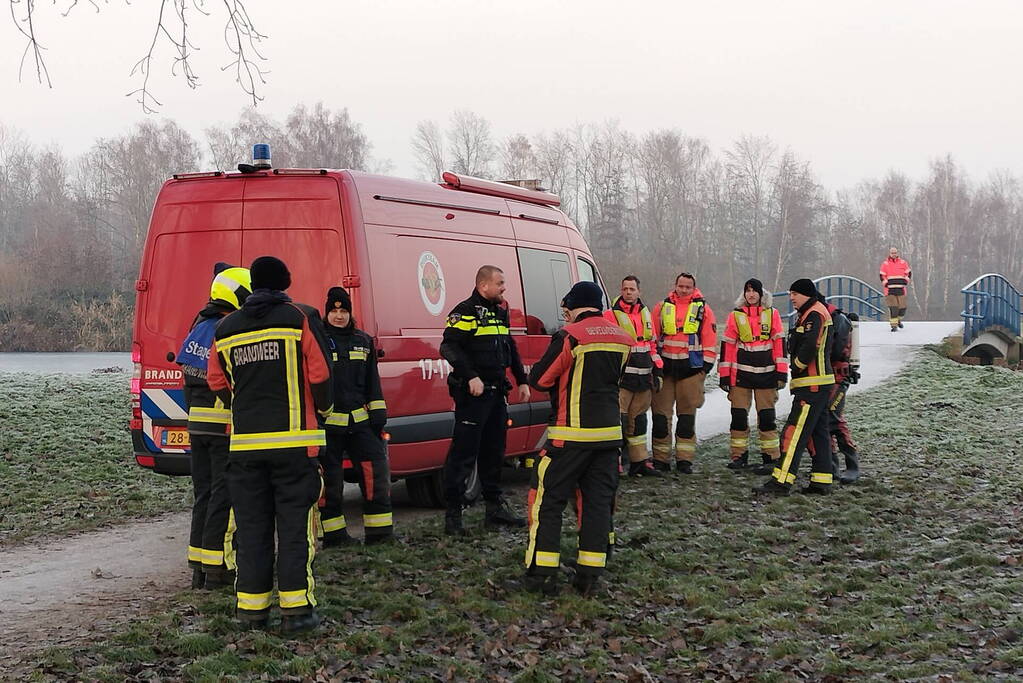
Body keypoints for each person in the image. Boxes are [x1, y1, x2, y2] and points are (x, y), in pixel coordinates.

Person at [207, 256, 333, 633]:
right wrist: (323, 412)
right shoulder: (300, 318)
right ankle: (297, 613)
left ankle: (251, 612)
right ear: (285, 283)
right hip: (296, 445)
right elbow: (322, 374)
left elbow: (217, 381)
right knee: (295, 529)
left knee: (252, 529)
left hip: (245, 448)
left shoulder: (226, 327)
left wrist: (240, 406)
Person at [523, 281, 633, 596]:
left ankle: (541, 575)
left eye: (565, 310)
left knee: (547, 502)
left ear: (574, 306)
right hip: (609, 438)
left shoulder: (570, 337)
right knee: (597, 504)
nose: (565, 315)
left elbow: (540, 380)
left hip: (567, 438)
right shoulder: (622, 338)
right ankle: (589, 575)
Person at [439, 265, 530, 536]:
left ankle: (494, 510)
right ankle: (453, 517)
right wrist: (470, 376)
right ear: (483, 286)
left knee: (494, 453)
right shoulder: (464, 312)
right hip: (473, 397)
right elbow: (448, 346)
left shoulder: (500, 312)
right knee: (463, 455)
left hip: (496, 394)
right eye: (500, 283)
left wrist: (521, 379)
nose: (504, 287)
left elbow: (509, 347)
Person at [176, 263, 251, 589]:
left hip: (197, 426)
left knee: (203, 495)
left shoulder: (199, 324)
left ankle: (198, 568)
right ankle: (217, 570)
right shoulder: (227, 327)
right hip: (222, 426)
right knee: (223, 495)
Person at [319, 286, 394, 545]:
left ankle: (380, 533)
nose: (339, 316)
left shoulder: (363, 341)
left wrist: (378, 415)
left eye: (344, 311)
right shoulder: (318, 341)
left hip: (361, 423)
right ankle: (334, 536)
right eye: (334, 311)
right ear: (326, 312)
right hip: (328, 426)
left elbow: (373, 381)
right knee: (330, 482)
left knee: (375, 475)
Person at [754, 279, 835, 496]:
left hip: (812, 385)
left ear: (806, 294)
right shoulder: (813, 311)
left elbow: (810, 345)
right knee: (818, 434)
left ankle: (781, 481)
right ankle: (821, 480)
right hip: (818, 384)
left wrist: (796, 366)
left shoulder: (814, 314)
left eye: (795, 294)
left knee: (794, 432)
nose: (791, 298)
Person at [718, 278, 787, 472]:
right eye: (747, 290)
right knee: (738, 417)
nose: (751, 294)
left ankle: (770, 456)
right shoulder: (735, 316)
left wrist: (781, 373)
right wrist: (724, 376)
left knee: (767, 418)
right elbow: (727, 348)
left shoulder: (772, 314)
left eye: (754, 290)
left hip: (767, 375)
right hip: (741, 375)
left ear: (761, 294)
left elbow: (780, 345)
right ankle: (739, 456)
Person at [651, 272, 717, 473]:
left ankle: (684, 460)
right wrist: (655, 364)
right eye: (681, 286)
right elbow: (652, 336)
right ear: (675, 286)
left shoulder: (704, 310)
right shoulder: (661, 308)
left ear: (693, 288)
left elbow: (709, 340)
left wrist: (704, 369)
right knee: (661, 417)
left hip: (691, 371)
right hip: (666, 369)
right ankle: (661, 459)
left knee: (686, 418)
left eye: (688, 287)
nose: (684, 290)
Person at [603, 275, 664, 476]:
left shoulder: (645, 314)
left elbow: (652, 345)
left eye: (632, 289)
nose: (628, 292)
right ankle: (615, 463)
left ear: (639, 291)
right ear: (621, 291)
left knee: (639, 421)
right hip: (622, 379)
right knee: (617, 421)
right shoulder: (611, 315)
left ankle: (640, 462)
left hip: (643, 378)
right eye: (625, 289)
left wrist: (658, 370)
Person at [821, 297, 861, 484]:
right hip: (825, 377)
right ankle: (832, 466)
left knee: (834, 418)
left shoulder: (837, 320)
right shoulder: (824, 317)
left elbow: (835, 351)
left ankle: (852, 464)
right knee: (825, 421)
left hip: (838, 377)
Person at [880, 247, 912, 332]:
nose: (894, 254)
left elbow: (908, 273)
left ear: (897, 253)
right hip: (889, 290)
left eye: (895, 253)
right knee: (893, 308)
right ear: (889, 254)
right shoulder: (885, 264)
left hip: (901, 289)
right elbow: (882, 275)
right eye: (892, 253)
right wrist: (886, 283)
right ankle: (893, 326)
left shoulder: (903, 263)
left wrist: (905, 281)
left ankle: (898, 320)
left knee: (902, 308)